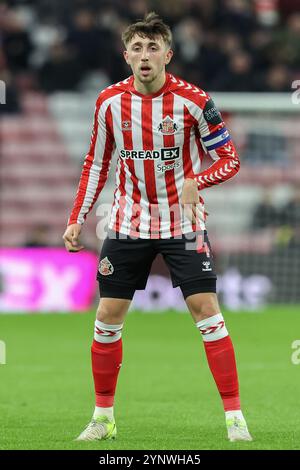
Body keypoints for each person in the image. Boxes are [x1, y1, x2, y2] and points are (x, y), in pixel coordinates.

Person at [63, 12, 252, 443]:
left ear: (168, 54)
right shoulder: (109, 102)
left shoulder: (194, 100)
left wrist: (196, 181)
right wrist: (76, 217)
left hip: (183, 223)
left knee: (207, 312)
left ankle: (235, 419)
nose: (144, 56)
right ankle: (103, 418)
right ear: (125, 55)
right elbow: (96, 163)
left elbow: (230, 159)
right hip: (126, 222)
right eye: (136, 48)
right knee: (107, 319)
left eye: (153, 48)